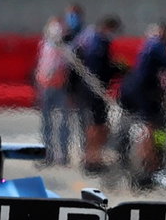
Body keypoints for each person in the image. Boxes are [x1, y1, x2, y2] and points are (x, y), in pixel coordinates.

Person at [119, 20, 166, 184]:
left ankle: (150, 163)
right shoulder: (156, 46)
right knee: (149, 127)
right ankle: (148, 166)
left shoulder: (149, 44)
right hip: (146, 92)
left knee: (153, 127)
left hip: (139, 91)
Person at [67, 15, 121, 172]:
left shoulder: (87, 39)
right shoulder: (99, 43)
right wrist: (116, 69)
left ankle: (91, 157)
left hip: (87, 89)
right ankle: (92, 159)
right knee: (97, 126)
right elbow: (98, 68)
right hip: (94, 89)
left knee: (96, 125)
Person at [33, 17, 73, 166]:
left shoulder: (66, 48)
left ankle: (63, 154)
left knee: (63, 122)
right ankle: (47, 153)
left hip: (61, 88)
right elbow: (41, 66)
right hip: (46, 87)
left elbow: (70, 69)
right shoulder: (44, 45)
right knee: (46, 122)